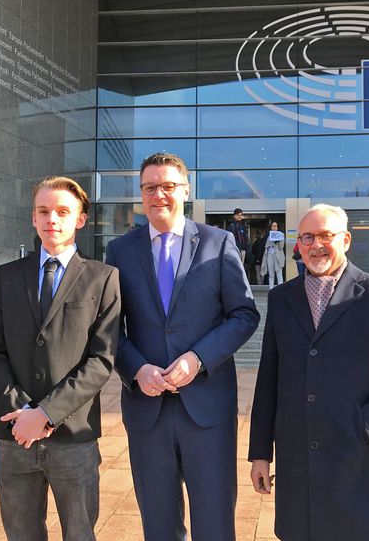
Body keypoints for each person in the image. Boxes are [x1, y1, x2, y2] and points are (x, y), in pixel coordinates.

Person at [105, 153, 260, 541]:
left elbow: (244, 314)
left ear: (186, 190)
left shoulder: (218, 242)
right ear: (141, 195)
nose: (159, 194)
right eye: (150, 187)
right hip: (147, 409)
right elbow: (108, 327)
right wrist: (136, 369)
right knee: (158, 524)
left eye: (168, 186)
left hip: (207, 408)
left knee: (214, 521)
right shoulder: (119, 251)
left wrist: (199, 358)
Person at [248, 204, 369, 541]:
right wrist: (260, 453)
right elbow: (269, 376)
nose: (315, 245)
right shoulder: (282, 297)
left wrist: (368, 427)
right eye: (307, 237)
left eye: (326, 235)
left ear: (346, 239)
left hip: (355, 455)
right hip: (297, 456)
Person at [0, 176, 121, 540]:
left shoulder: (103, 279)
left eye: (62, 211)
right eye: (43, 211)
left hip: (73, 438)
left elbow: (101, 360)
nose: (51, 219)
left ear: (81, 219)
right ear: (33, 217)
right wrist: (21, 413)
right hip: (14, 437)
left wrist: (45, 414)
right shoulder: (6, 276)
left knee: (79, 534)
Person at [261, 221, 285, 289]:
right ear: (270, 227)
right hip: (269, 255)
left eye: (275, 226)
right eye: (273, 226)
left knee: (279, 273)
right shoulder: (268, 236)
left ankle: (280, 289)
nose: (274, 227)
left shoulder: (281, 234)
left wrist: (278, 241)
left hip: (278, 256)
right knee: (271, 274)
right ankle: (271, 289)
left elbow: (281, 247)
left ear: (278, 227)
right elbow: (265, 246)